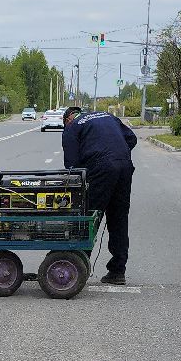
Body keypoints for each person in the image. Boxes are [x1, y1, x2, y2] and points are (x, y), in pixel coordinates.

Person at [61, 105, 138, 284]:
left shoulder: (72, 126)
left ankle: (77, 268)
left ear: (67, 119)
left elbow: (72, 165)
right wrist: (117, 155)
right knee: (119, 218)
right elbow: (131, 139)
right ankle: (117, 271)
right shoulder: (107, 116)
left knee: (90, 217)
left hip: (101, 167)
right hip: (124, 166)